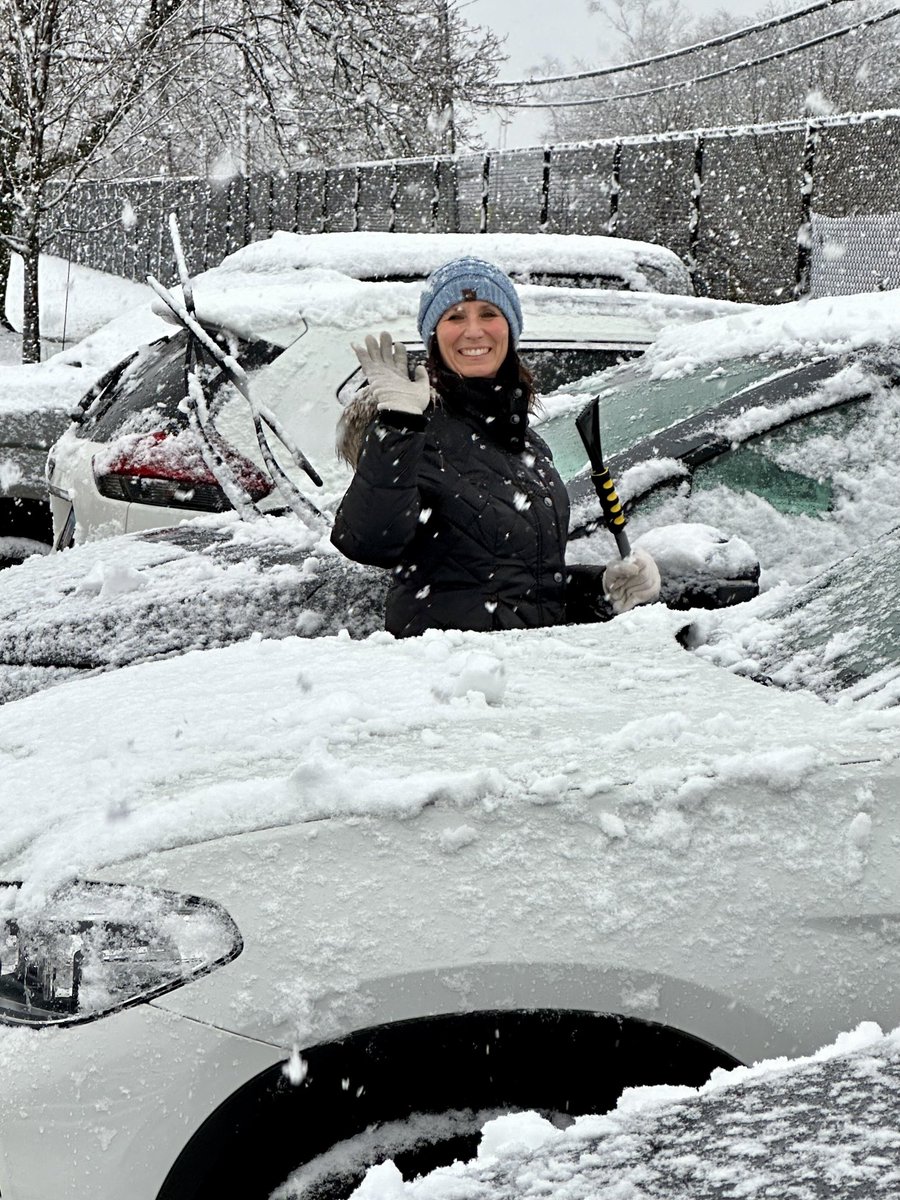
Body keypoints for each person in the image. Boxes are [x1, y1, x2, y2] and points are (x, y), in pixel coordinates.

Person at [330, 256, 660, 638]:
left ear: (510, 328)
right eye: (455, 317)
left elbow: (522, 587)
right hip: (449, 679)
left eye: (488, 313)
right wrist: (398, 425)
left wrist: (600, 589)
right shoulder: (415, 428)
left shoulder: (527, 445)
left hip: (521, 675)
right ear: (434, 334)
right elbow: (368, 542)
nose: (473, 331)